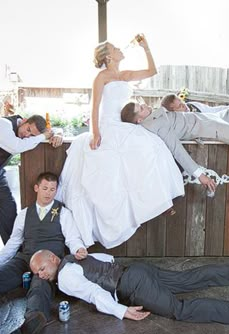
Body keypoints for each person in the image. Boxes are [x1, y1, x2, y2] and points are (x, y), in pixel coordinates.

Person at [56, 35, 185, 249]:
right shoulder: (101, 77)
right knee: (114, 170)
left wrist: (146, 48)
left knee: (153, 146)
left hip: (123, 125)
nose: (120, 49)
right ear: (108, 56)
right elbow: (95, 105)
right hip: (107, 126)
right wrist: (96, 132)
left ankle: (155, 200)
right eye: (115, 48)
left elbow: (152, 71)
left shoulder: (125, 75)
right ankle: (130, 212)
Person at [31, 249, 229, 325]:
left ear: (52, 258)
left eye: (41, 269)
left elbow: (94, 292)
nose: (41, 275)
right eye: (37, 274)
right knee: (187, 279)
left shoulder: (65, 276)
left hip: (132, 285)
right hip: (135, 270)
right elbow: (107, 258)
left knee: (180, 310)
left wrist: (121, 310)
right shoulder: (74, 256)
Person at [0, 172, 87, 334]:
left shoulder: (63, 212)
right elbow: (13, 242)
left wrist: (79, 248)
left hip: (48, 262)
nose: (48, 193)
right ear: (36, 188)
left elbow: (72, 238)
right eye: (45, 188)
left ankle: (32, 322)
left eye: (53, 189)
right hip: (25, 258)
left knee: (40, 288)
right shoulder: (25, 214)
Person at [120, 102, 229, 192]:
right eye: (141, 108)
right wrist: (200, 175)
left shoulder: (154, 117)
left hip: (207, 117)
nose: (144, 105)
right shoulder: (156, 125)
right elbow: (177, 149)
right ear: (139, 120)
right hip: (207, 126)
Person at [0, 114, 63, 245]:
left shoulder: (31, 126)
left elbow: (53, 129)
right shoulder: (4, 124)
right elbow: (16, 146)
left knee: (8, 209)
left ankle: (12, 251)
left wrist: (57, 134)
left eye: (32, 135)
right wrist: (42, 136)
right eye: (28, 129)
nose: (27, 135)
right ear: (23, 121)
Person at [161, 93, 229, 114]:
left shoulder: (191, 105)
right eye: (179, 106)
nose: (184, 105)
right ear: (174, 112)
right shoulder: (184, 121)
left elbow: (212, 110)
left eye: (181, 101)